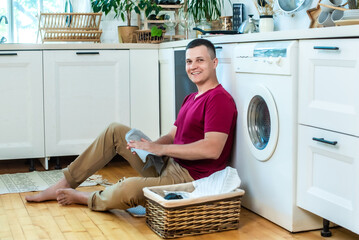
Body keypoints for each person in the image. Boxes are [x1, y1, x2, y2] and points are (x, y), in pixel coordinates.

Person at [25, 38, 238, 211]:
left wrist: (159, 148)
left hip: (189, 178)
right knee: (115, 131)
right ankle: (62, 185)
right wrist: (149, 146)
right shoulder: (190, 99)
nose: (193, 67)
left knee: (128, 187)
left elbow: (212, 149)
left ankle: (85, 198)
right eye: (189, 62)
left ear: (214, 63)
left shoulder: (219, 99)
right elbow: (173, 135)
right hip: (169, 164)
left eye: (199, 60)